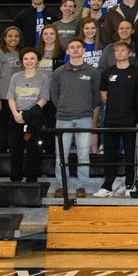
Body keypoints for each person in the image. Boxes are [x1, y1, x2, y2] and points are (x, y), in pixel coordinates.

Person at [49, 39, 101, 197]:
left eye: (78, 47)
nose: (75, 49)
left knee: (83, 154)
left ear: (83, 50)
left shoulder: (92, 72)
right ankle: (61, 185)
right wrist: (64, 108)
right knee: (61, 154)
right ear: (67, 51)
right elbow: (54, 96)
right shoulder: (59, 72)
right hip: (63, 118)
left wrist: (85, 108)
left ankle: (81, 186)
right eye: (72, 47)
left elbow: (96, 96)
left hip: (84, 118)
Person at [95, 40, 138, 198]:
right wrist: (116, 106)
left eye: (123, 50)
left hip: (130, 120)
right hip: (110, 120)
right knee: (110, 153)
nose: (119, 53)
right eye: (117, 51)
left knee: (130, 153)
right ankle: (108, 185)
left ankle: (130, 184)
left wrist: (129, 108)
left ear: (129, 53)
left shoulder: (137, 72)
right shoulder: (107, 73)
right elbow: (103, 95)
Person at [6, 47, 50, 185]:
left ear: (37, 61)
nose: (29, 61)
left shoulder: (43, 78)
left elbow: (43, 99)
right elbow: (11, 97)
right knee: (16, 149)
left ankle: (31, 178)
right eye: (26, 58)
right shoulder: (15, 77)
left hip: (33, 118)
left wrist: (29, 114)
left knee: (32, 149)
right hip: (16, 116)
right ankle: (15, 178)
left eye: (32, 58)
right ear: (21, 61)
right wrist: (15, 114)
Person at [0, 26, 24, 155]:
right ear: (5, 38)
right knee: (3, 126)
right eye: (10, 36)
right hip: (1, 96)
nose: (13, 39)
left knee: (17, 127)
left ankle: (15, 152)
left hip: (17, 98)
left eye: (16, 36)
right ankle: (1, 154)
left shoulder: (22, 53)